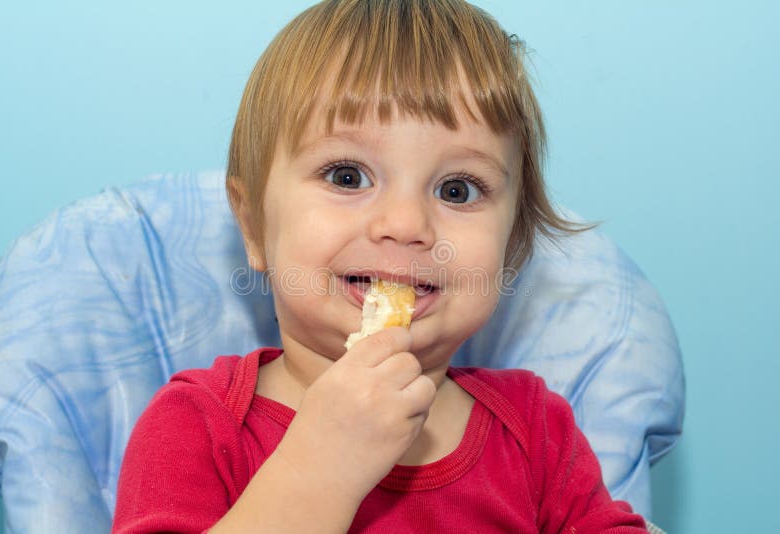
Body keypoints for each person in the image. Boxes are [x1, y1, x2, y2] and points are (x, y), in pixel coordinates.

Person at [113, 0, 648, 531]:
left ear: (510, 248)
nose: (406, 222)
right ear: (253, 226)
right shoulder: (197, 427)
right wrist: (319, 469)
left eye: (457, 190)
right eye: (347, 177)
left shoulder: (537, 435)